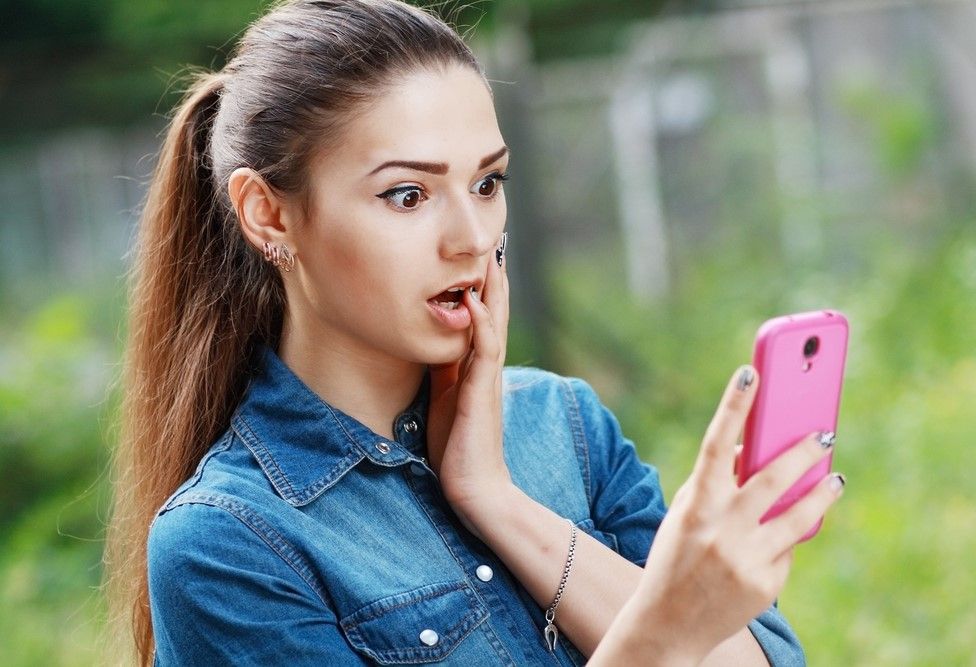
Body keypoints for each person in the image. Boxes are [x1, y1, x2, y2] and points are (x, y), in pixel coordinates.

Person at [104, 1, 845, 664]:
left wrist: (496, 499)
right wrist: (663, 632)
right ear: (269, 215)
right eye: (407, 195)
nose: (471, 236)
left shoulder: (566, 427)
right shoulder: (228, 546)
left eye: (487, 183)